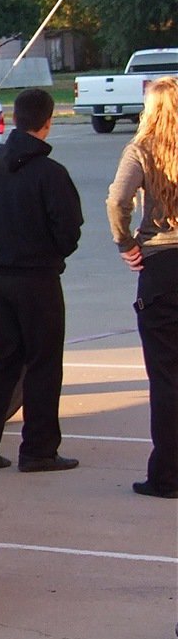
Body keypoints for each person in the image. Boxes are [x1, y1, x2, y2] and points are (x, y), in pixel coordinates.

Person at [0, 88, 83, 473]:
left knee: (2, 359)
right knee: (43, 363)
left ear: (15, 119)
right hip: (38, 278)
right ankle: (38, 448)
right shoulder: (51, 174)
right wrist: (52, 253)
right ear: (47, 122)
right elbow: (68, 229)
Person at [105, 75, 178, 499]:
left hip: (163, 265)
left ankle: (167, 474)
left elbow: (117, 200)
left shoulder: (141, 150)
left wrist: (126, 243)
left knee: (166, 377)